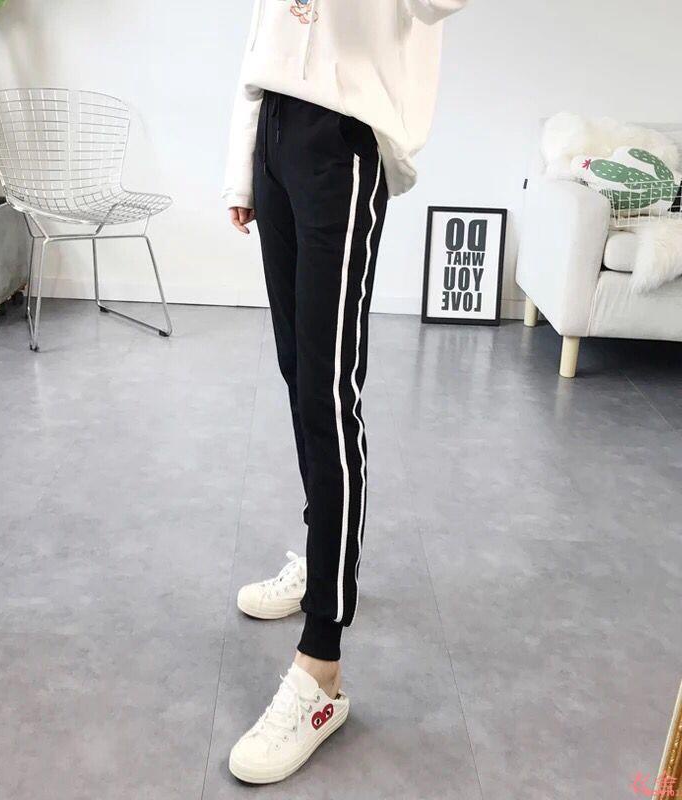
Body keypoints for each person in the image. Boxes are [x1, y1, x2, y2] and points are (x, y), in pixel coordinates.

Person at [223, 0, 469, 784]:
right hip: (275, 130)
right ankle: (319, 558)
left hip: (342, 139)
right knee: (299, 377)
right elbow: (264, 26)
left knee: (329, 396)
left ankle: (321, 669)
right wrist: (244, 163)